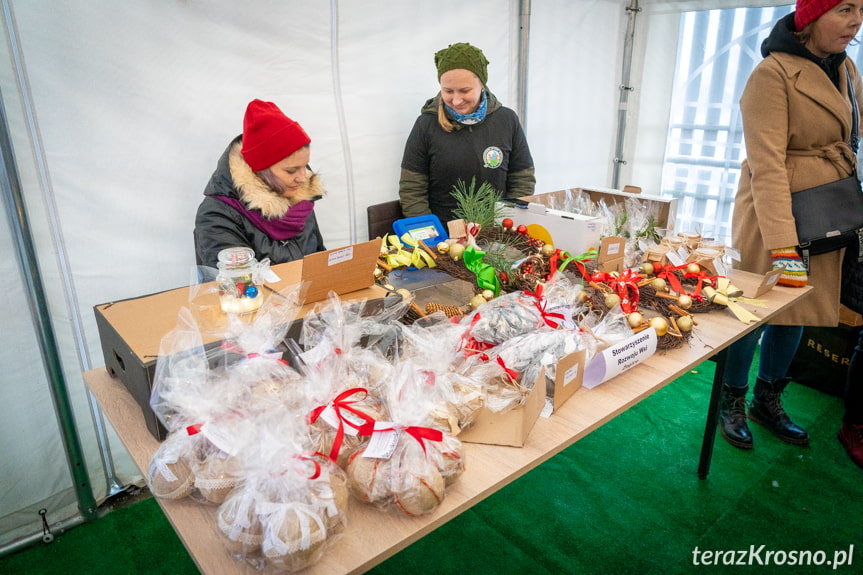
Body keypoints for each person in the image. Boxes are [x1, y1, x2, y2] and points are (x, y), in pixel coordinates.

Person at [719, 0, 863, 452]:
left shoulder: (846, 70)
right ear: (811, 18)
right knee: (753, 314)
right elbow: (766, 166)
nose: (856, 20)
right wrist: (783, 246)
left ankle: (769, 398)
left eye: (860, 8)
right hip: (773, 215)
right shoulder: (772, 74)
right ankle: (732, 400)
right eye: (844, 9)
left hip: (826, 214)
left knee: (798, 312)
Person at [399, 42, 536, 225]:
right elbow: (412, 189)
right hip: (444, 235)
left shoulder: (506, 120)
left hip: (496, 232)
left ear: (482, 85)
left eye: (465, 90)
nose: (456, 100)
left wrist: (508, 224)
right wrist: (431, 235)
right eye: (448, 91)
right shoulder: (426, 124)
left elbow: (522, 178)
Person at [194, 99, 326, 273]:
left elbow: (319, 259)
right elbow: (236, 287)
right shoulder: (216, 215)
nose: (302, 178)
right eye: (291, 170)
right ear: (261, 170)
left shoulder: (299, 195)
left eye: (304, 166)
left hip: (309, 298)